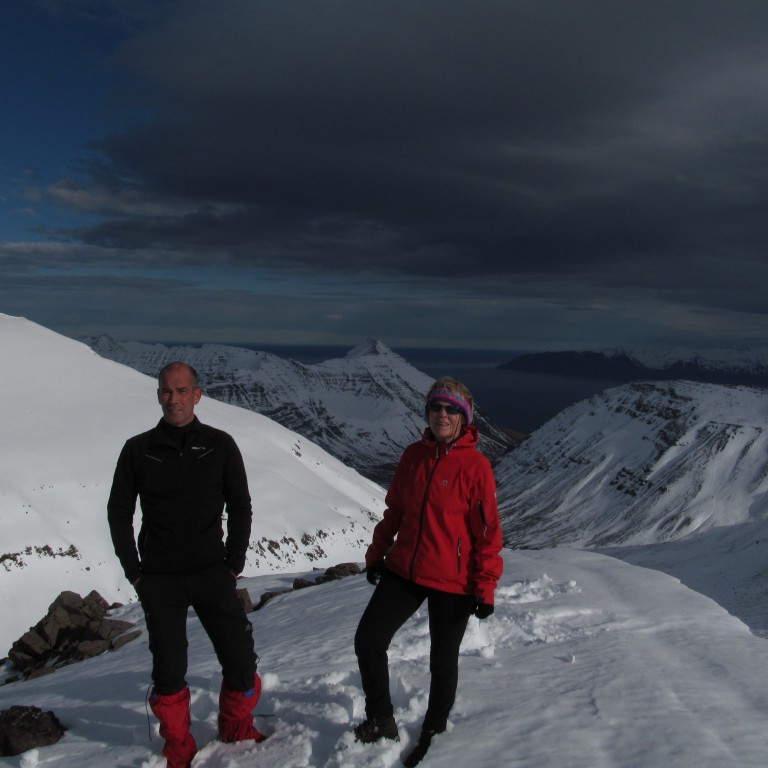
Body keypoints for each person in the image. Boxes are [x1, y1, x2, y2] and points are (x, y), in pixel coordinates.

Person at [107, 362, 262, 768]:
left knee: (240, 658)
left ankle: (237, 728)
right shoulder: (138, 450)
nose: (172, 399)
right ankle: (178, 746)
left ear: (197, 395)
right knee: (169, 669)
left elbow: (240, 504)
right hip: (160, 578)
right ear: (158, 395)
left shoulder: (219, 445)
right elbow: (119, 511)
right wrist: (135, 573)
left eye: (180, 391)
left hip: (213, 572)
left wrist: (233, 564)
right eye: (165, 391)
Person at [353, 377, 503, 767]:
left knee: (442, 661)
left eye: (451, 409)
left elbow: (488, 533)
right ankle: (381, 718)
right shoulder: (413, 456)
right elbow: (396, 511)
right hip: (404, 568)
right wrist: (376, 553)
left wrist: (485, 587)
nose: (442, 415)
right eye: (436, 407)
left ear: (464, 417)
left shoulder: (476, 467)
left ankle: (434, 732)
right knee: (368, 640)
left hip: (453, 580)